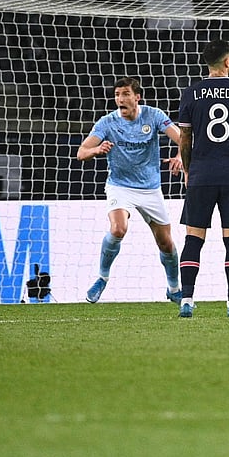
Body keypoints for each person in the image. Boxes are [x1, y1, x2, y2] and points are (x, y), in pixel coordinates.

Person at [76, 77, 184, 304]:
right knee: (118, 228)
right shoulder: (107, 123)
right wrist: (96, 150)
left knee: (166, 242)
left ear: (137, 97)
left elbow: (183, 139)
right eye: (117, 95)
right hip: (120, 186)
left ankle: (174, 288)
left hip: (150, 189)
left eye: (125, 94)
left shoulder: (153, 116)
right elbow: (81, 152)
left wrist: (180, 156)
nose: (120, 99)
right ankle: (102, 278)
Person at [175, 39, 229, 318]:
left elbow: (185, 139)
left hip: (201, 173)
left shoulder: (191, 93)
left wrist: (188, 170)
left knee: (194, 238)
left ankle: (186, 299)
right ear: (227, 61)